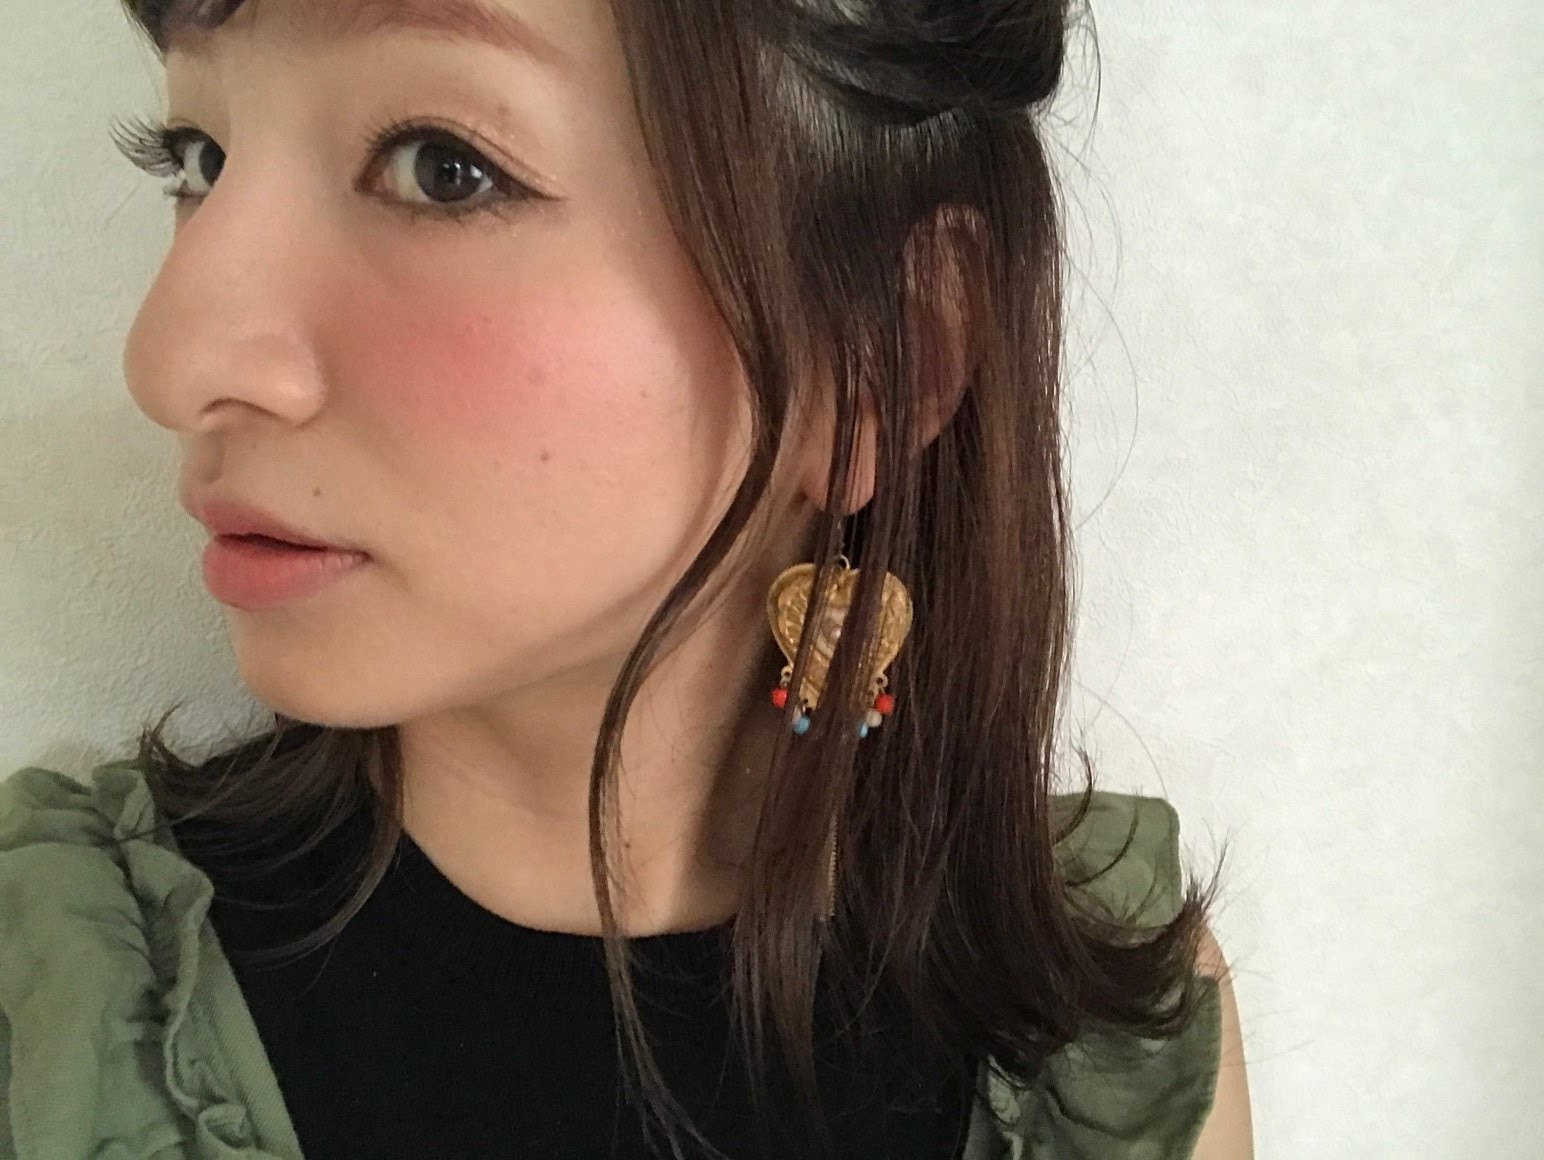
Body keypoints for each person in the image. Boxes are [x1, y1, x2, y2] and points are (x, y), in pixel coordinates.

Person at [0, 0, 1254, 1156]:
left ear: (885, 353)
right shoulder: (56, 1001)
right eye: (199, 159)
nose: (171, 359)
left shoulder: (1101, 1040)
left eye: (442, 166)